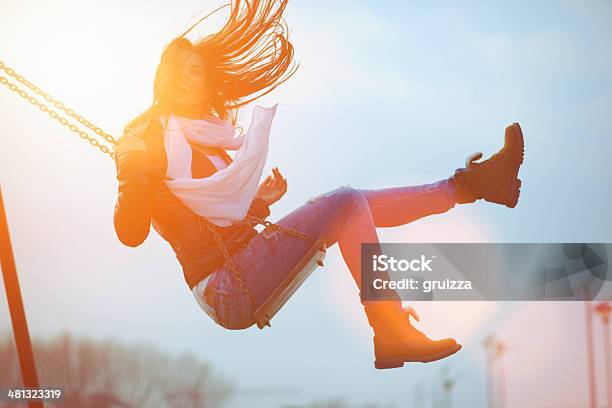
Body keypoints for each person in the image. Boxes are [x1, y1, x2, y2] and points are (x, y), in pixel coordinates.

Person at [112, 0, 524, 369]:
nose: (190, 79)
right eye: (181, 71)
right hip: (223, 286)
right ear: (164, 78)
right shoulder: (147, 136)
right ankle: (391, 328)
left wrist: (257, 203)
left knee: (354, 206)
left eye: (197, 72)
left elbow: (207, 217)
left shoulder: (208, 134)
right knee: (344, 201)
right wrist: (132, 166)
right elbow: (131, 233)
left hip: (242, 266)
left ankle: (474, 185)